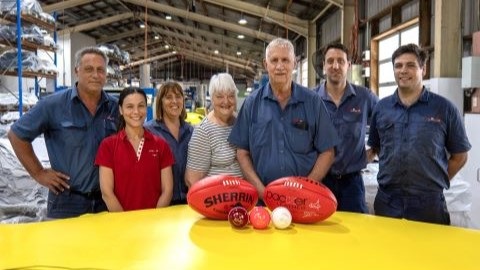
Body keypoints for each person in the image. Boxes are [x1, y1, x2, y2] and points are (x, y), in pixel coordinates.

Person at [7, 46, 119, 219]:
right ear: (77, 71)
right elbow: (16, 135)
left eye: (100, 70)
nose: (95, 75)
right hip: (66, 201)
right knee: (64, 246)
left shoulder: (115, 108)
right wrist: (38, 172)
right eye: (89, 69)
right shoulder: (53, 105)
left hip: (106, 200)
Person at [367, 43, 471, 225]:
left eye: (410, 65)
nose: (403, 70)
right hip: (387, 201)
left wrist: (438, 179)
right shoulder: (381, 108)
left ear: (423, 69)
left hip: (429, 204)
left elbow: (460, 156)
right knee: (386, 252)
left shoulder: (444, 109)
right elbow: (375, 147)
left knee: (429, 252)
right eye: (398, 66)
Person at [228, 38, 339, 199]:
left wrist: (307, 187)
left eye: (285, 60)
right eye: (274, 60)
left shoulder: (313, 102)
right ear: (266, 65)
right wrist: (262, 192)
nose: (280, 66)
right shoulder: (252, 104)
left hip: (304, 199)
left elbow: (328, 151)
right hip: (262, 200)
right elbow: (242, 152)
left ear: (294, 63)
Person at [313, 43, 378, 213]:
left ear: (348, 65)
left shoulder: (364, 98)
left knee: (355, 233)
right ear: (324, 66)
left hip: (352, 183)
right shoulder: (311, 99)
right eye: (330, 61)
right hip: (320, 181)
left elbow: (386, 125)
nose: (335, 66)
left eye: (341, 61)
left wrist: (372, 153)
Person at [95, 87, 174, 211]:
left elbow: (167, 190)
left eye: (141, 106)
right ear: (121, 110)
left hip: (154, 224)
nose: (136, 111)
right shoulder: (108, 146)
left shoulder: (161, 145)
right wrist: (124, 223)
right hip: (121, 223)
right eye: (130, 107)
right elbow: (107, 193)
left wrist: (155, 218)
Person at [185, 73, 243, 187]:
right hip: (216, 201)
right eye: (220, 96)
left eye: (230, 96)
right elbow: (192, 180)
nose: (226, 101)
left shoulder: (241, 122)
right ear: (211, 98)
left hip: (243, 199)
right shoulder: (204, 131)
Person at [144, 81, 193, 205]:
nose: (174, 101)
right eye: (169, 97)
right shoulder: (149, 131)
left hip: (190, 201)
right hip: (161, 202)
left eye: (178, 96)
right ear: (160, 101)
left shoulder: (192, 131)